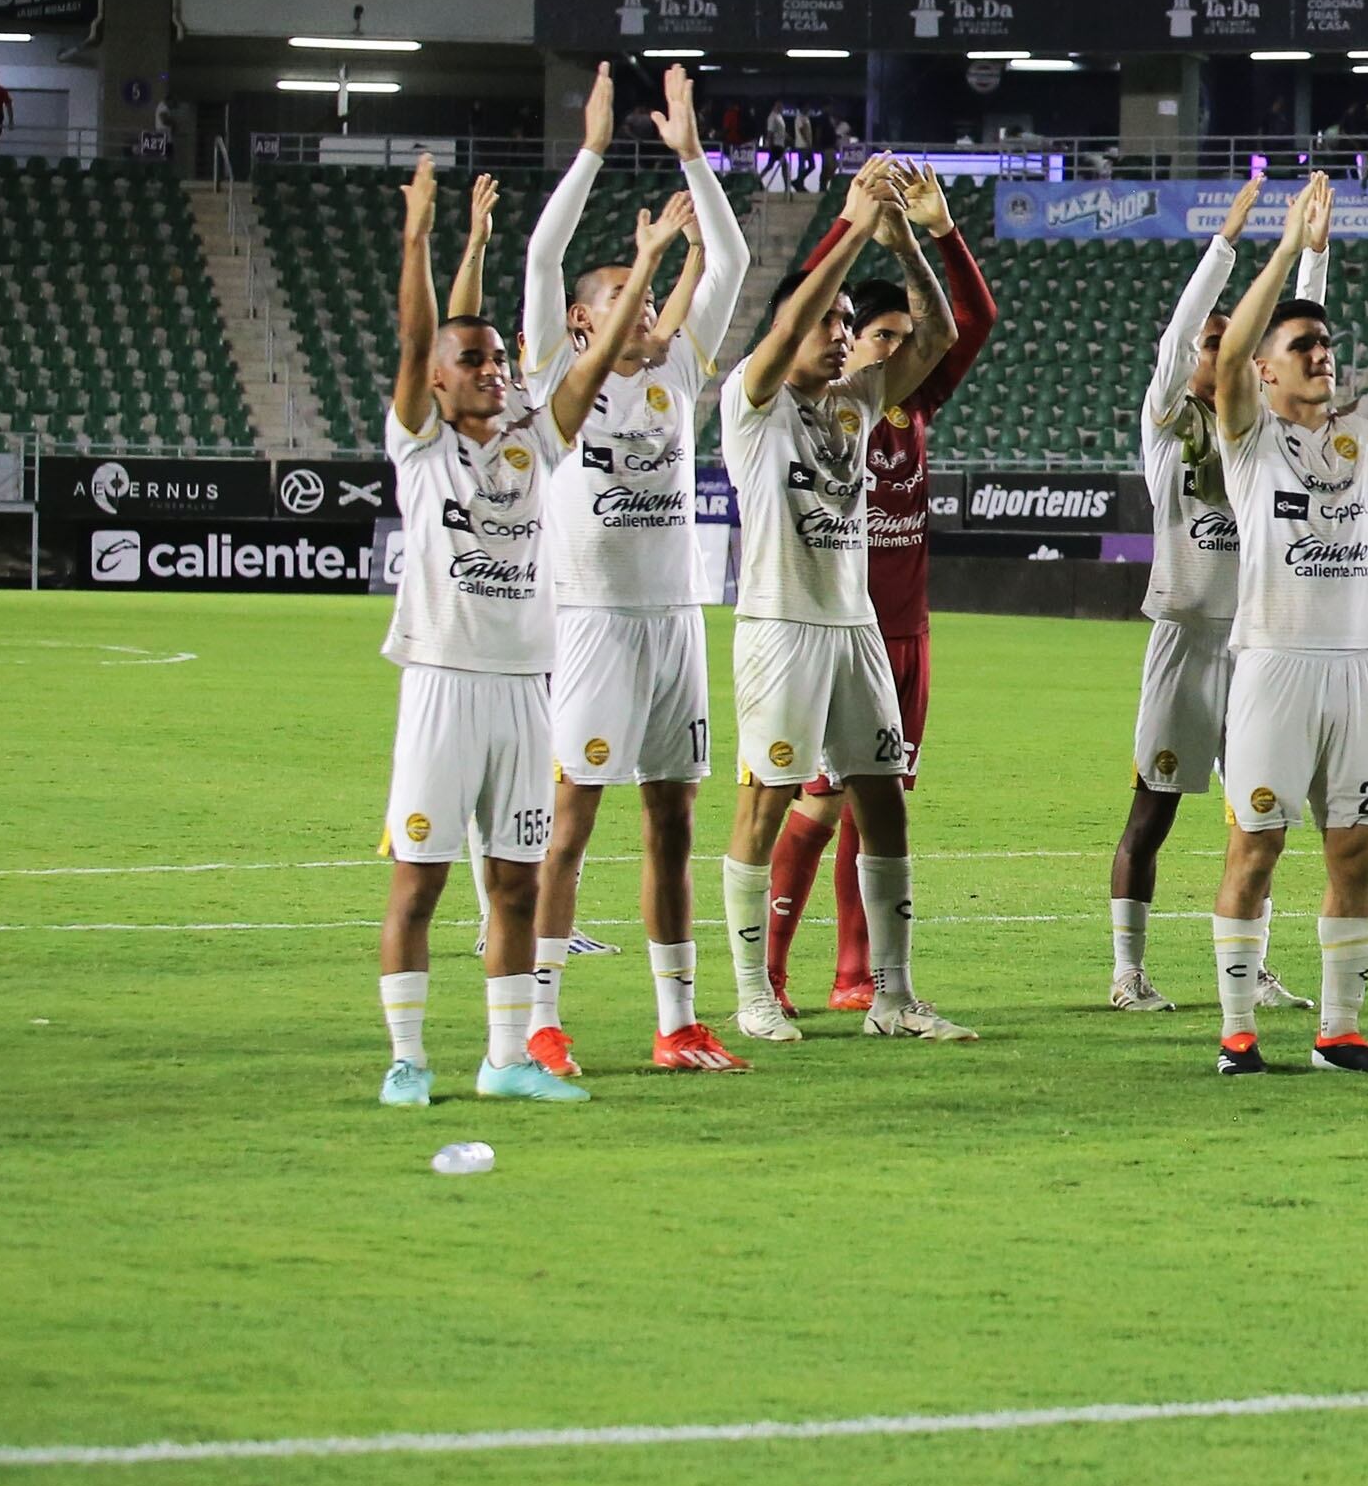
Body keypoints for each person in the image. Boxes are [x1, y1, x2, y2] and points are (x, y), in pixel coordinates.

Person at [372, 155, 662, 1108]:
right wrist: (423, 239)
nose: (495, 371)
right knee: (418, 887)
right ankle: (409, 1059)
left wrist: (649, 264)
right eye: (477, 363)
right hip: (443, 682)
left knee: (514, 885)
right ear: (438, 384)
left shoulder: (533, 441)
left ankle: (503, 1061)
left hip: (526, 686)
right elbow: (422, 342)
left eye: (501, 359)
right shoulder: (421, 445)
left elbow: (585, 367)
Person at [1201, 171, 1368, 1074]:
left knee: (1354, 851)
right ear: (1267, 370)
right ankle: (1238, 1033)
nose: (1324, 355)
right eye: (1304, 346)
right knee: (1257, 847)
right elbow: (1229, 355)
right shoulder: (1247, 434)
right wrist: (1285, 249)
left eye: (1327, 344)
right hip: (1273, 664)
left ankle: (1339, 1032)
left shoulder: (1358, 432)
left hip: (1357, 663)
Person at [520, 63, 752, 1074]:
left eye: (652, 289)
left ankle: (676, 1021)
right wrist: (592, 150)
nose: (647, 302)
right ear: (580, 320)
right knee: (569, 821)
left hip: (675, 622)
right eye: (624, 291)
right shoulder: (548, 379)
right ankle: (539, 1017)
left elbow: (731, 256)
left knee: (672, 821)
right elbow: (540, 256)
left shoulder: (676, 368)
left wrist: (693, 156)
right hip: (591, 623)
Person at [716, 157, 973, 1047]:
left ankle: (892, 996)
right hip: (781, 628)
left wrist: (901, 238)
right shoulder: (750, 403)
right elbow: (788, 320)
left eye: (845, 323)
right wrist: (851, 227)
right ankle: (753, 991)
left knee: (883, 802)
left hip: (855, 626)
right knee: (765, 801)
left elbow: (938, 336)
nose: (840, 335)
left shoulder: (858, 402)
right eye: (827, 323)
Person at [1106, 173, 1328, 1017]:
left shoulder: (1262, 428)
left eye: (1228, 344)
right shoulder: (1168, 423)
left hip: (1260, 646)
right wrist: (1228, 242)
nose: (1217, 353)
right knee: (1153, 810)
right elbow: (1173, 342)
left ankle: (1254, 967)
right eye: (1210, 342)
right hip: (1186, 638)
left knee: (1260, 817)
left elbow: (1299, 339)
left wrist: (1315, 250)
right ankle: (1128, 970)